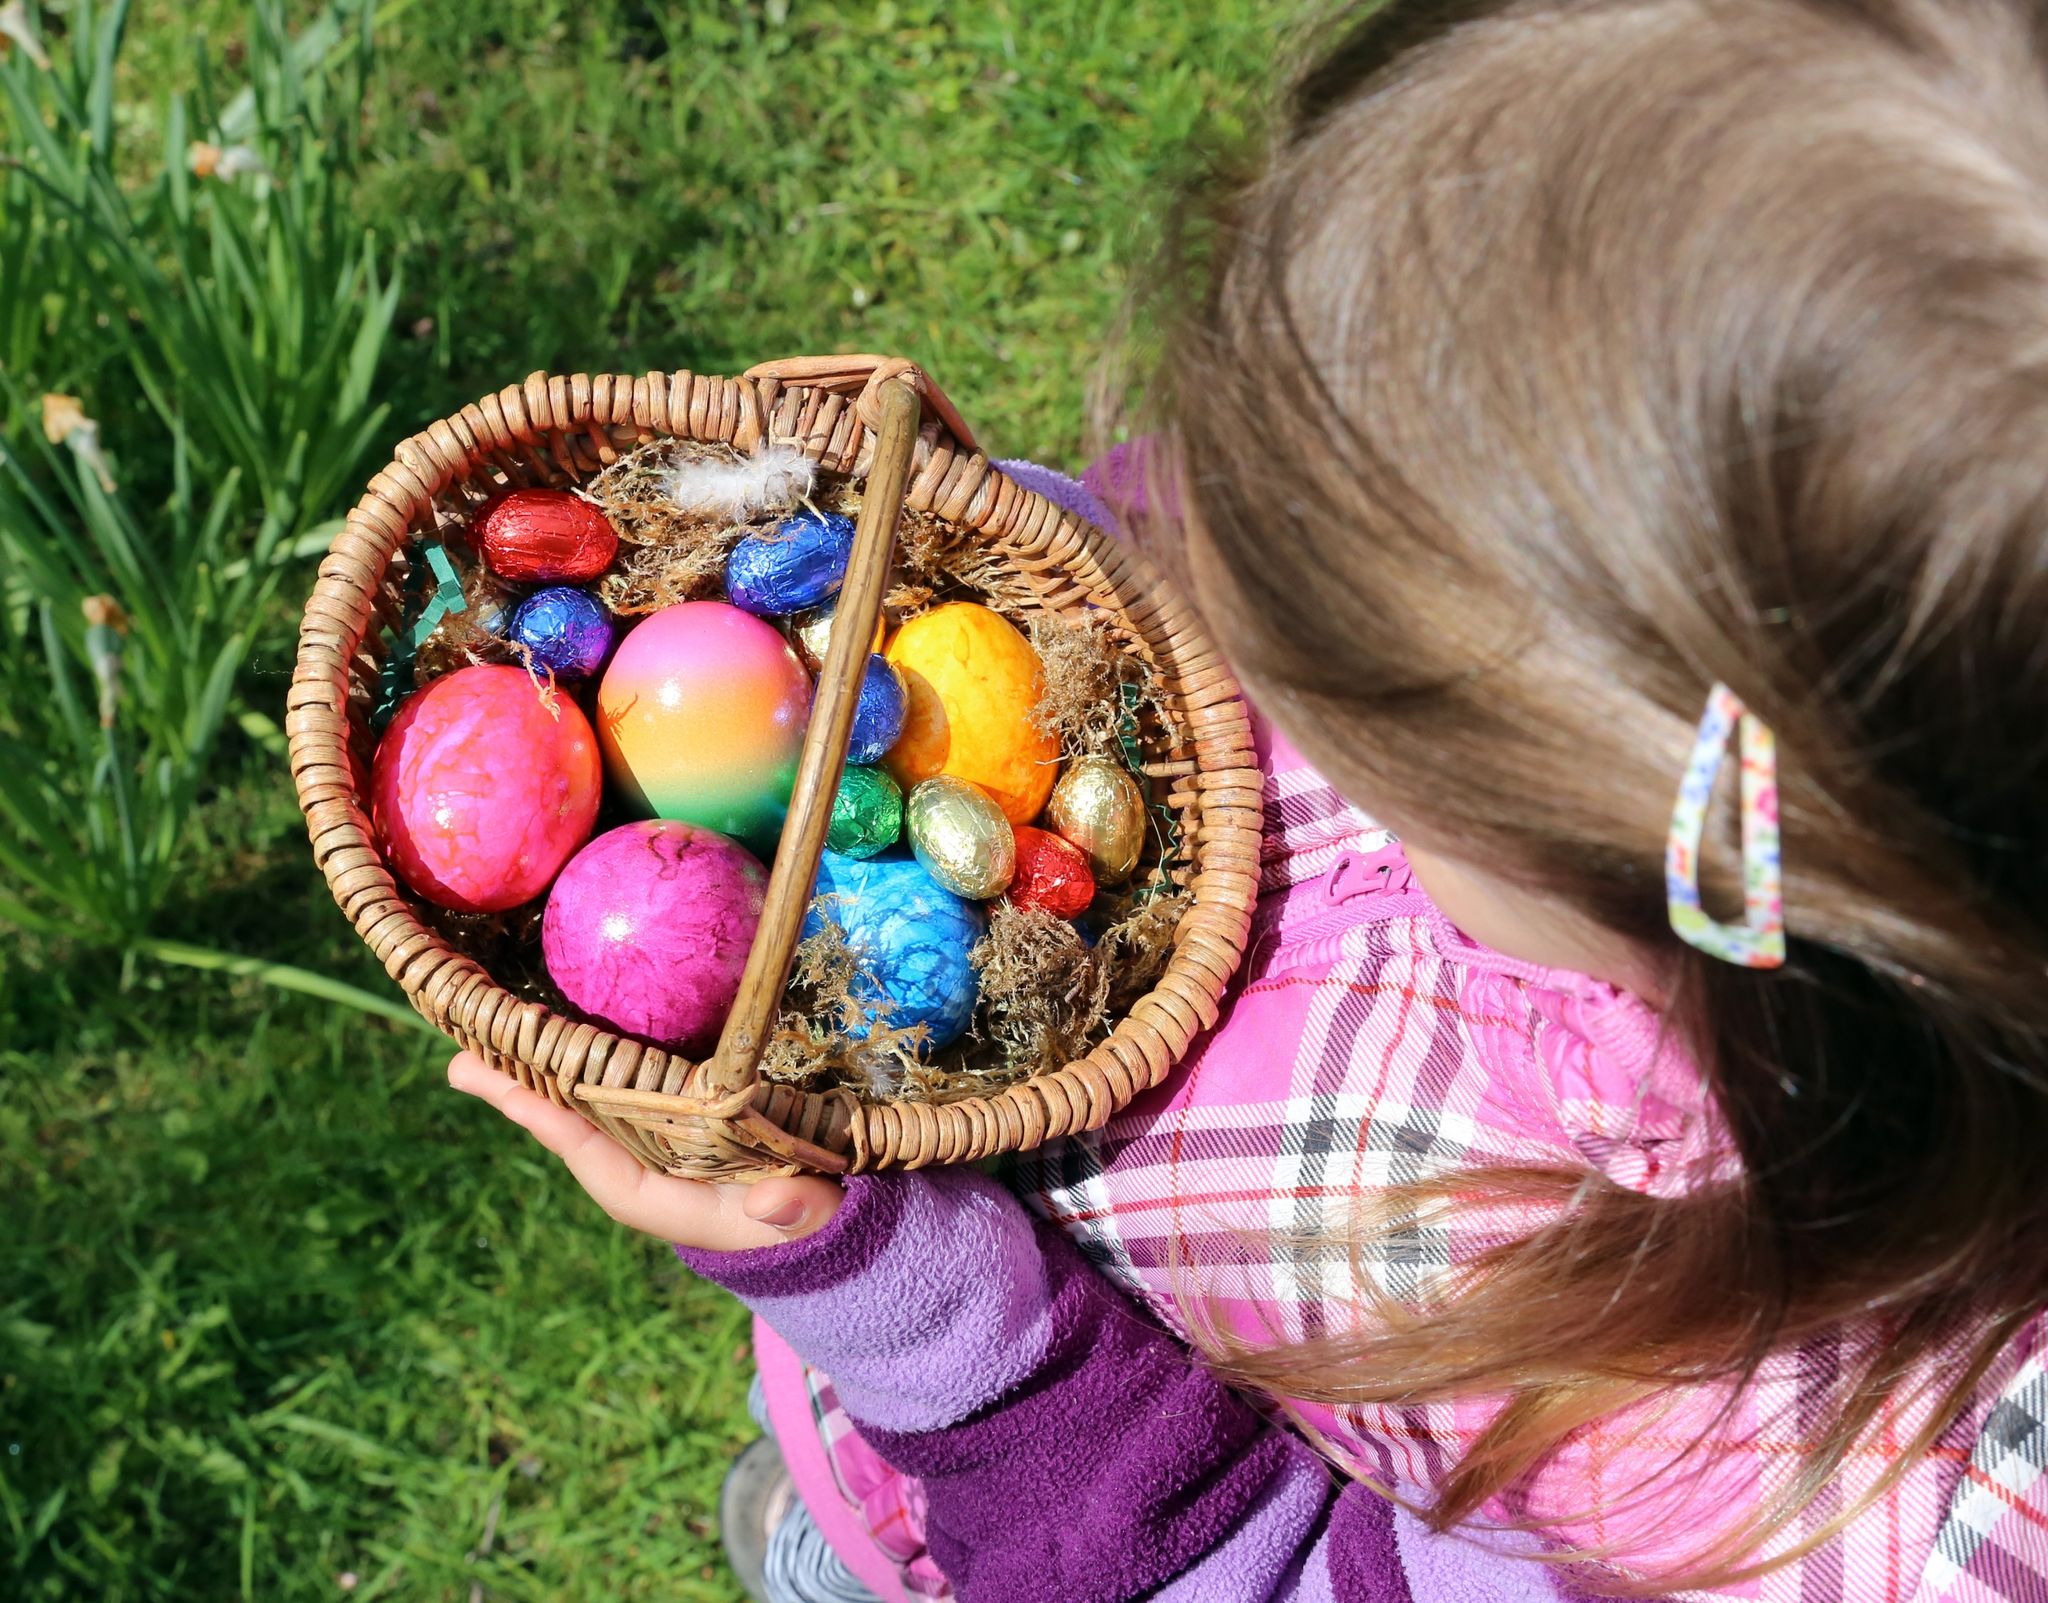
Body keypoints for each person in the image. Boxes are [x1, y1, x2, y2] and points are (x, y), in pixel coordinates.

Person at [449, 0, 2048, 1596]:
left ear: (1602, 812)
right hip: (897, 1391)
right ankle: (834, 1502)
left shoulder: (1803, 1511)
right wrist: (991, 611)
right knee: (834, 1483)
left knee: (855, 1561)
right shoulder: (1599, 608)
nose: (1194, 545)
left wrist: (943, 1348)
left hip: (1016, 1472)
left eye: (1279, 577)